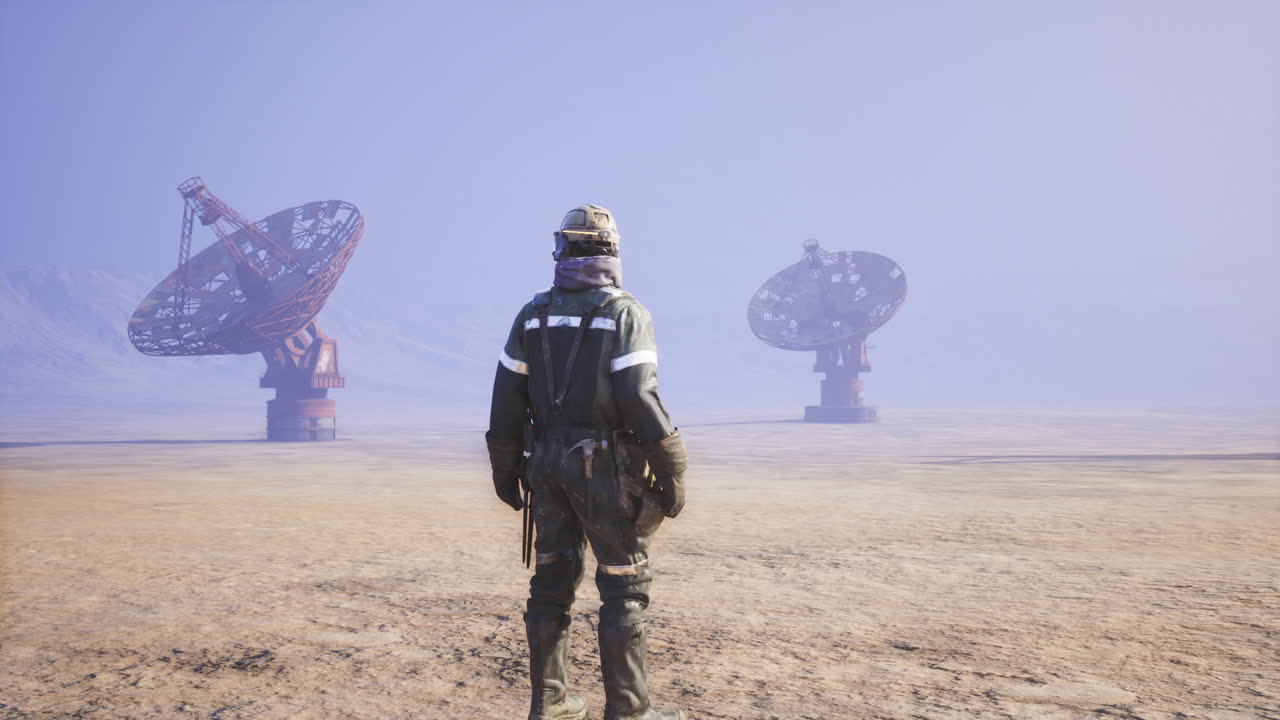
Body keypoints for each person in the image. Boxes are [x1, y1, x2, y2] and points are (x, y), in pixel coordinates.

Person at [486, 204, 688, 720]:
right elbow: (640, 397)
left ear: (562, 249)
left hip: (545, 463)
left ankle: (549, 704)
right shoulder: (625, 313)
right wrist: (671, 468)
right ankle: (629, 712)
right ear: (613, 252)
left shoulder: (533, 314)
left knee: (551, 581)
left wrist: (504, 466)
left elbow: (507, 394)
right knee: (624, 583)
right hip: (603, 467)